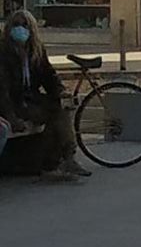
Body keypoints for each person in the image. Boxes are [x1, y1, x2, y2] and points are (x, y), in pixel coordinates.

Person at [0, 10, 90, 181]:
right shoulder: (3, 52)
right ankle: (54, 162)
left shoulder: (36, 50)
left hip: (30, 98)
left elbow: (48, 75)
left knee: (59, 110)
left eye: (25, 26)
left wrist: (59, 91)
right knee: (51, 117)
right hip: (14, 102)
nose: (21, 29)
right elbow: (2, 90)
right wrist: (11, 117)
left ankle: (65, 158)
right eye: (16, 25)